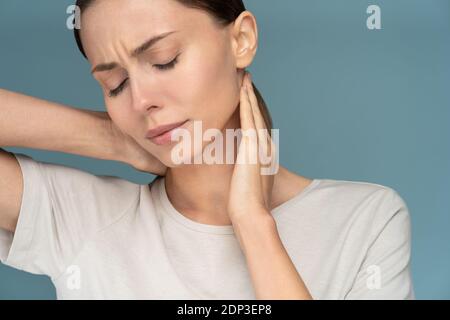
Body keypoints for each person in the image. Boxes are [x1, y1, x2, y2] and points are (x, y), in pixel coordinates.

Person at [0, 0, 415, 299]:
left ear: (242, 39)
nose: (141, 99)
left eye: (163, 59)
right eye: (116, 84)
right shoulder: (82, 217)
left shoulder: (367, 220)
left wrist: (254, 225)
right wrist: (114, 138)